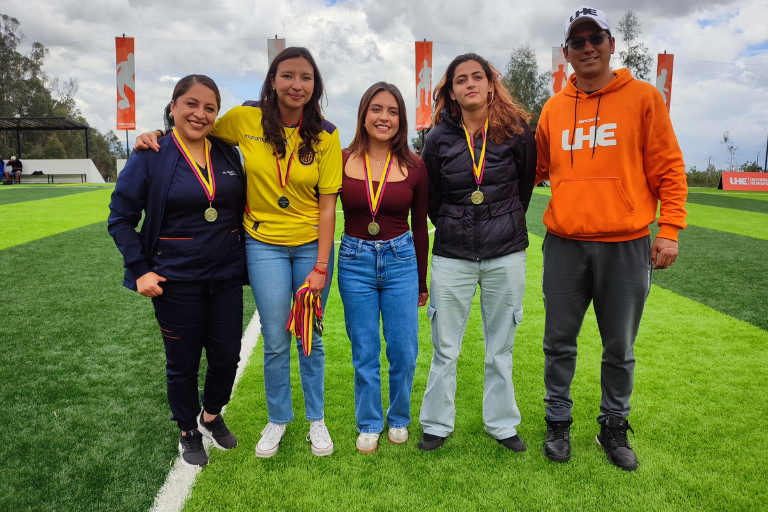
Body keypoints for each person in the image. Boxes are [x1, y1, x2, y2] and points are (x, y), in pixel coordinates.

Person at [135, 47, 342, 458]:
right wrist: (156, 134)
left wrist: (321, 265)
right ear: (272, 81)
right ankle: (278, 419)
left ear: (315, 85)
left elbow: (327, 205)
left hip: (309, 247)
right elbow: (195, 129)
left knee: (309, 337)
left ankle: (316, 420)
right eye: (287, 75)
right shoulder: (244, 119)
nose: (296, 85)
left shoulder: (327, 134)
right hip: (262, 244)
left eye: (305, 77)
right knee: (276, 338)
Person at [535, 5, 688, 471]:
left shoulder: (643, 98)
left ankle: (613, 427)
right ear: (566, 52)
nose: (587, 48)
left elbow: (669, 169)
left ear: (611, 45)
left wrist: (670, 231)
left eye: (595, 39)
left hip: (625, 243)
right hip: (565, 242)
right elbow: (534, 168)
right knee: (558, 339)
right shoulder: (553, 108)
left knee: (619, 345)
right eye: (577, 42)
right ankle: (558, 421)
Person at [109, 75, 248, 467]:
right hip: (174, 281)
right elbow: (120, 218)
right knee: (183, 362)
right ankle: (188, 428)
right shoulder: (151, 153)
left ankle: (211, 415)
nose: (199, 114)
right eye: (191, 104)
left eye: (209, 107)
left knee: (226, 357)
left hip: (225, 278)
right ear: (173, 107)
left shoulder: (225, 153)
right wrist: (139, 270)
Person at [417, 53, 537, 452]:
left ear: (490, 83)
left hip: (506, 253)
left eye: (477, 77)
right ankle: (436, 423)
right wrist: (458, 224)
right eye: (460, 80)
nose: (469, 84)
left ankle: (502, 425)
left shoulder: (516, 130)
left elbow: (523, 191)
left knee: (500, 347)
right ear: (451, 91)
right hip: (452, 254)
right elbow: (432, 199)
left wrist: (498, 223)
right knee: (445, 347)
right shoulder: (437, 138)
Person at [337, 82, 429, 454]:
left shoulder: (415, 165)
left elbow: (420, 225)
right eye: (376, 109)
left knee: (404, 350)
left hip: (401, 261)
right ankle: (370, 422)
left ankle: (400, 418)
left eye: (392, 111)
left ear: (401, 120)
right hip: (354, 261)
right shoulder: (340, 159)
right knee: (365, 351)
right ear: (363, 114)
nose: (384, 118)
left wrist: (422, 279)